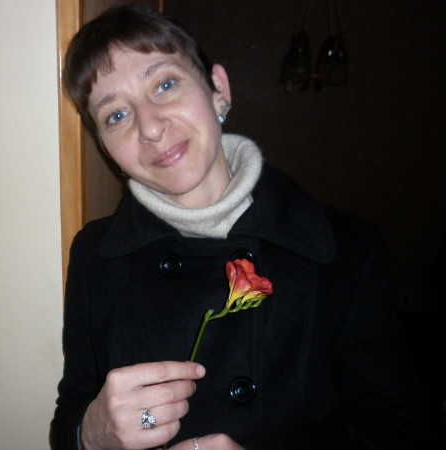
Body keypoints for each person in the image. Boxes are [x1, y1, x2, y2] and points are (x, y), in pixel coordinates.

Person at [50, 4, 433, 450]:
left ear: (218, 90)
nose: (150, 127)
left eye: (165, 84)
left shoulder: (348, 249)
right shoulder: (94, 254)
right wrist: (90, 433)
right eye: (116, 115)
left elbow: (400, 427)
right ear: (106, 148)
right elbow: (72, 413)